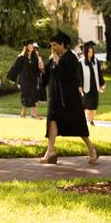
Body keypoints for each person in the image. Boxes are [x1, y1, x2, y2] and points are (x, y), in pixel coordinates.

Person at [38, 31, 98, 164]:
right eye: (51, 45)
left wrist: (58, 61)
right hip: (55, 98)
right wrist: (42, 69)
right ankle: (51, 151)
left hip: (70, 99)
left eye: (54, 45)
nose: (52, 48)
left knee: (78, 126)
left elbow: (66, 76)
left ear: (63, 44)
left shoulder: (71, 57)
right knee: (52, 121)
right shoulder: (53, 59)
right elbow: (46, 79)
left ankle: (91, 148)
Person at [7, 41, 43, 119]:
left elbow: (37, 69)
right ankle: (23, 113)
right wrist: (13, 78)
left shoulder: (35, 57)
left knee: (33, 95)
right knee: (25, 95)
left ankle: (34, 114)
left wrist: (40, 71)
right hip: (24, 79)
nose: (31, 47)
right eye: (29, 46)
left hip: (32, 79)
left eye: (32, 46)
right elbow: (15, 68)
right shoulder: (22, 57)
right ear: (26, 47)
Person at [79, 41, 104, 124]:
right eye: (89, 52)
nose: (91, 53)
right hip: (86, 86)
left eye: (92, 52)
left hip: (95, 85)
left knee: (94, 105)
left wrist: (101, 84)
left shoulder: (95, 61)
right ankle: (89, 120)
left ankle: (91, 119)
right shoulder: (81, 62)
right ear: (85, 52)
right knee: (87, 105)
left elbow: (99, 73)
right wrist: (80, 86)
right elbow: (79, 75)